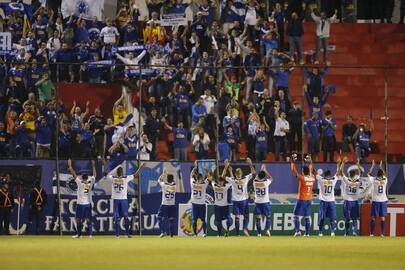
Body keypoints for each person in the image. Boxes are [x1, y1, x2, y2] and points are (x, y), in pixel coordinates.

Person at [105, 163, 145, 238]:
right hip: (123, 200)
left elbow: (106, 174)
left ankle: (117, 235)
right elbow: (136, 175)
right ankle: (127, 234)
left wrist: (104, 164)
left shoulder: (113, 178)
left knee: (116, 217)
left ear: (117, 172)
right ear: (122, 172)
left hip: (116, 200)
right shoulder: (125, 178)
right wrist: (141, 167)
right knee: (126, 217)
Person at [226, 158, 256, 236]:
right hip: (244, 201)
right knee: (246, 216)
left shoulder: (233, 180)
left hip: (235, 201)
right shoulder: (245, 179)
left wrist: (228, 169)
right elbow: (253, 173)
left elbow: (223, 177)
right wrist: (250, 164)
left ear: (235, 174)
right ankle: (245, 228)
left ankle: (238, 234)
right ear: (241, 173)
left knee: (237, 217)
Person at [67, 159, 97, 238]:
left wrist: (70, 166)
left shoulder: (80, 182)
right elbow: (94, 175)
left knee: (78, 219)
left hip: (80, 204)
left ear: (82, 177)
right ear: (87, 178)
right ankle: (90, 235)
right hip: (87, 204)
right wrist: (93, 165)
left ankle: (79, 235)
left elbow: (74, 175)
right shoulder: (90, 182)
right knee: (88, 219)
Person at [291, 154, 315, 237]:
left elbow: (294, 171)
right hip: (309, 200)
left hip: (301, 199)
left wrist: (292, 161)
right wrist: (310, 161)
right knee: (307, 216)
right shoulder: (312, 178)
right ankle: (307, 233)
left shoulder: (302, 178)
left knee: (295, 216)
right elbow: (311, 169)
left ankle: (298, 231)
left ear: (303, 172)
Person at [316, 159, 342, 236]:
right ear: (330, 175)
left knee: (322, 217)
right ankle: (332, 232)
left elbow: (314, 173)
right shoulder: (333, 179)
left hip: (323, 201)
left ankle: (320, 232)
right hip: (331, 201)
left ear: (324, 175)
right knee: (332, 217)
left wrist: (311, 162)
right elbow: (338, 174)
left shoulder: (322, 179)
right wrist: (338, 164)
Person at [340, 157, 364, 236]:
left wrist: (343, 163)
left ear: (349, 174)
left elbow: (341, 172)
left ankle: (346, 233)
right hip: (355, 201)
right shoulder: (358, 181)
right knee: (354, 218)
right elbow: (361, 173)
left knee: (347, 218)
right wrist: (358, 165)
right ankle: (354, 232)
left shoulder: (347, 180)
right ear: (354, 175)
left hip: (347, 201)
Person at [210, 161, 232, 237]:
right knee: (220, 221)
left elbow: (212, 180)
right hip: (222, 206)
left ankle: (222, 233)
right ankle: (223, 232)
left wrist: (213, 171)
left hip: (219, 206)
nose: (221, 183)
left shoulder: (215, 186)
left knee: (221, 220)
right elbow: (232, 181)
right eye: (221, 181)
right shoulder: (225, 187)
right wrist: (227, 168)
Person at [368, 160, 388, 237]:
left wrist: (373, 166)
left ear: (376, 174)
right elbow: (385, 175)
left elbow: (369, 173)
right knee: (382, 218)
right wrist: (381, 167)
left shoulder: (374, 179)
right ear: (382, 174)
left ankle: (372, 233)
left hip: (375, 201)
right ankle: (382, 234)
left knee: (373, 217)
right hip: (383, 201)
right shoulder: (385, 180)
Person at [253, 164, 273, 237]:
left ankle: (259, 233)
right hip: (265, 202)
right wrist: (265, 171)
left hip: (258, 202)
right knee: (268, 216)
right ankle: (267, 230)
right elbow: (271, 178)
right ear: (264, 176)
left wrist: (261, 170)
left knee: (258, 218)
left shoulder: (254, 182)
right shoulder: (266, 182)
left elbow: (257, 176)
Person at [190, 161, 209, 237]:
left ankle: (195, 234)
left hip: (194, 204)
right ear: (201, 179)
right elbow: (209, 177)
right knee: (203, 219)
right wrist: (207, 170)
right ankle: (204, 233)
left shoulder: (193, 183)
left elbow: (191, 176)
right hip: (201, 204)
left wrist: (194, 168)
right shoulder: (204, 184)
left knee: (194, 220)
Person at [157, 168, 177, 238]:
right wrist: (169, 176)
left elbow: (159, 180)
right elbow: (173, 181)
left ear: (167, 179)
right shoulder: (174, 186)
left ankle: (163, 232)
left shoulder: (164, 185)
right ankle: (171, 235)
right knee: (171, 220)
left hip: (164, 204)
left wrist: (164, 174)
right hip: (172, 205)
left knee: (159, 218)